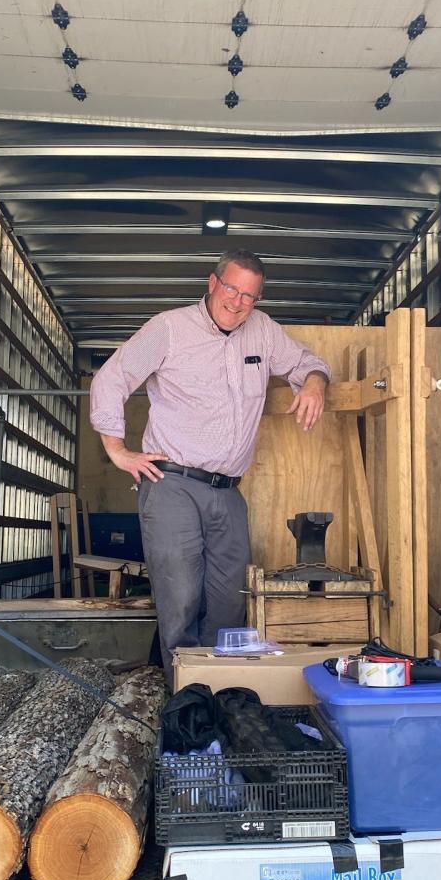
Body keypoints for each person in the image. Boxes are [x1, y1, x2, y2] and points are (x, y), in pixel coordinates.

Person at [90, 249, 330, 683]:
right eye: (233, 290)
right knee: (180, 597)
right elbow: (113, 378)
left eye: (250, 297)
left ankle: (218, 694)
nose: (239, 303)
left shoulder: (263, 331)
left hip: (228, 492)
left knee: (228, 600)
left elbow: (307, 362)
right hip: (172, 483)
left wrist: (314, 383)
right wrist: (117, 451)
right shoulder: (169, 328)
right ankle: (183, 699)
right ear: (213, 283)